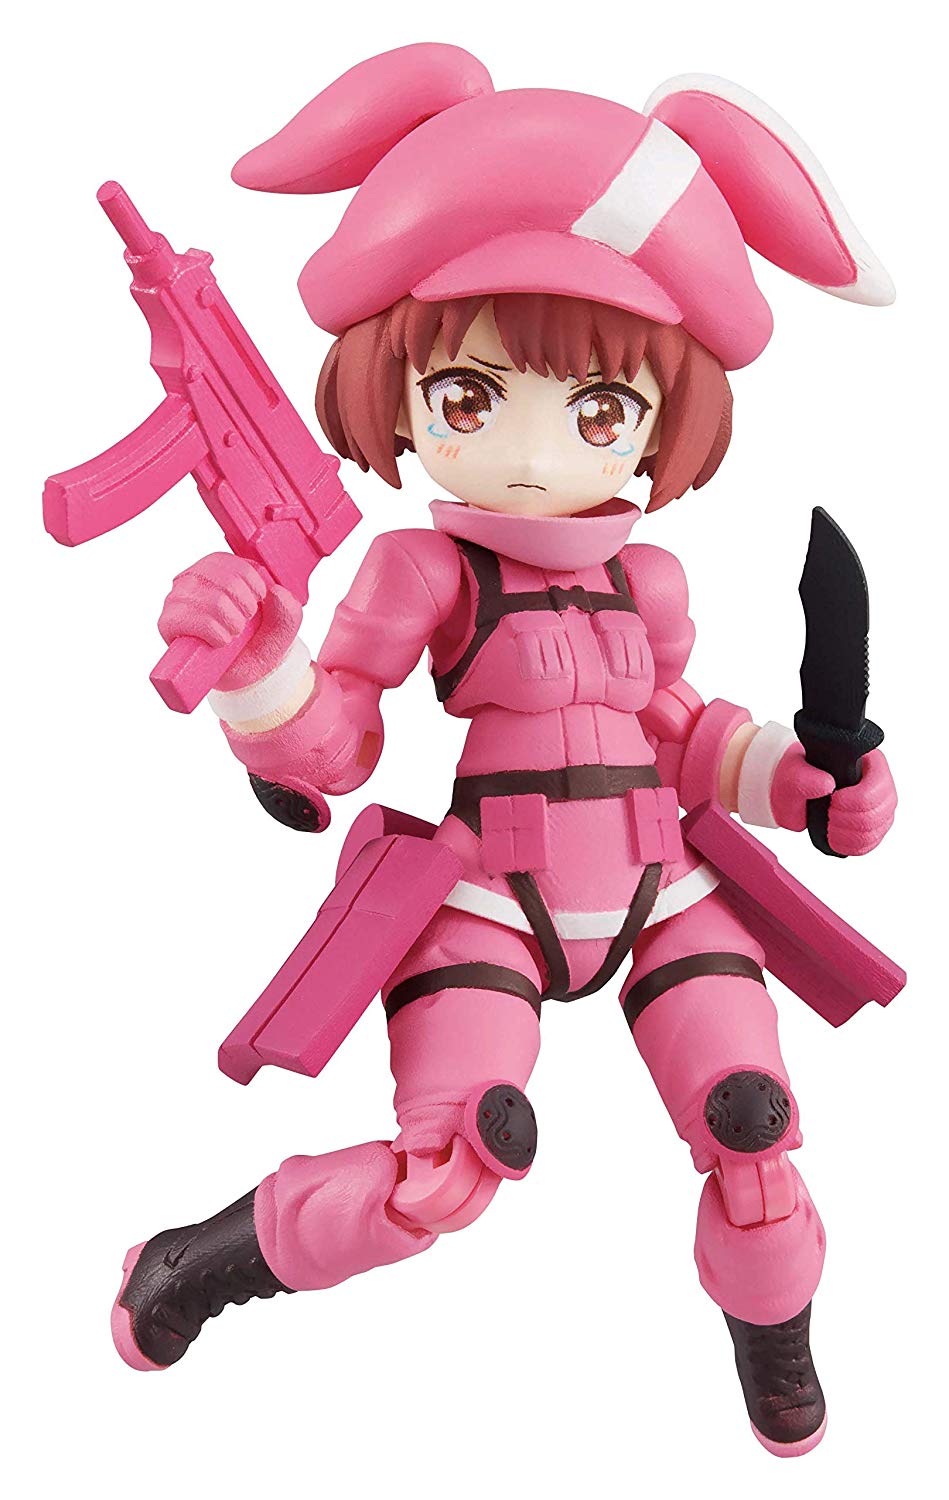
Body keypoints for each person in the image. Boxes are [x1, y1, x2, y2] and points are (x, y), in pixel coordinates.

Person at [110, 47, 897, 1457]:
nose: (535, 451)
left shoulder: (647, 579)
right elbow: (338, 741)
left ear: (658, 422)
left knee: (756, 1137)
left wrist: (805, 778)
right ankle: (198, 1263)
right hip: (489, 898)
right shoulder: (426, 573)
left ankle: (774, 1341)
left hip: (662, 891)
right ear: (399, 388)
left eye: (597, 412)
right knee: (449, 1165)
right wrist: (262, 670)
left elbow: (685, 732)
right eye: (472, 400)